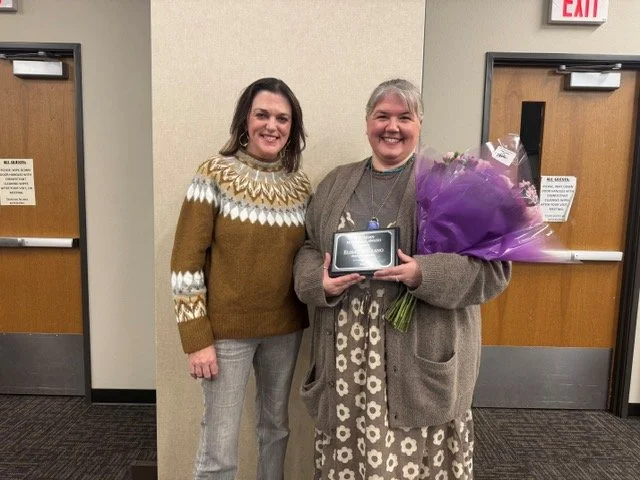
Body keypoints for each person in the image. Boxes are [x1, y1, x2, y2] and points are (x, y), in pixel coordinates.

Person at [294, 79, 511, 479]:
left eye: (404, 117)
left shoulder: (451, 181)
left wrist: (422, 273)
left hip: (416, 363)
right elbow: (309, 246)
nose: (391, 127)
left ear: (419, 124)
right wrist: (317, 282)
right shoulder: (336, 182)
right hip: (346, 366)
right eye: (382, 116)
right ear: (367, 123)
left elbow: (494, 271)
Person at [170, 77, 312, 480]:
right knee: (219, 445)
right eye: (262, 115)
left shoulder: (300, 186)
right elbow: (185, 261)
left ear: (292, 127)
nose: (272, 125)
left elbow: (309, 252)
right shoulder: (214, 174)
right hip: (226, 335)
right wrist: (196, 339)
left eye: (282, 118)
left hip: (284, 331)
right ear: (245, 120)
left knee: (276, 429)